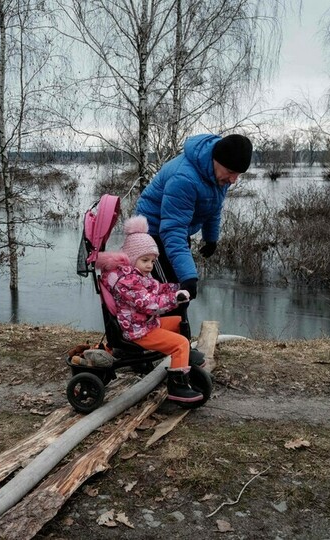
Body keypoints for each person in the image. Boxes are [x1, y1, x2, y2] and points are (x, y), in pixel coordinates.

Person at [135, 133, 253, 335]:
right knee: (172, 293)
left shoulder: (216, 175)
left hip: (174, 230)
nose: (233, 180)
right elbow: (171, 230)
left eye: (238, 174)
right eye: (231, 172)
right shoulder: (185, 178)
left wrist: (211, 237)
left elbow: (213, 206)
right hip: (152, 235)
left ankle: (176, 347)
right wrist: (189, 276)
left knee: (179, 293)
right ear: (217, 160)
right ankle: (171, 348)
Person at [96, 215, 202, 403]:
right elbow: (149, 303)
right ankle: (177, 386)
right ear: (131, 258)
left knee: (179, 322)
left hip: (144, 323)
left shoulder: (136, 275)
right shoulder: (127, 282)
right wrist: (174, 299)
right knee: (180, 343)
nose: (149, 266)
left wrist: (178, 288)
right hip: (139, 331)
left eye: (152, 261)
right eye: (145, 260)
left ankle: (183, 360)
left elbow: (156, 288)